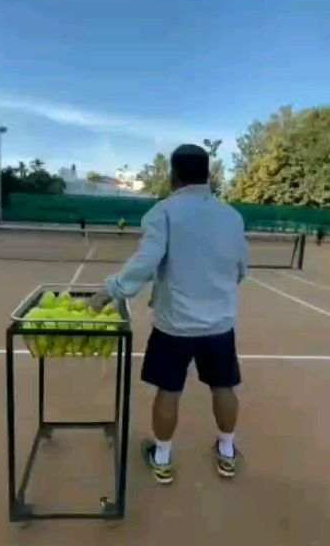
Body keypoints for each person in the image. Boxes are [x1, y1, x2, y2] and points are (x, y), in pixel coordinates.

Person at [91, 144, 248, 484]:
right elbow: (240, 269)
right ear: (208, 174)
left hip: (174, 324)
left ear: (173, 175)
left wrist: (110, 292)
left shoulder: (162, 213)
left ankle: (162, 458)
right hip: (219, 325)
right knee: (223, 386)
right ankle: (227, 452)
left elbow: (146, 262)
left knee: (169, 390)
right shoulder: (232, 217)